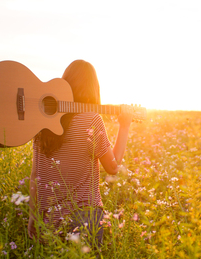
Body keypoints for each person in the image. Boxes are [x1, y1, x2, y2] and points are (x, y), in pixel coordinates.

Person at [28, 60, 133, 250]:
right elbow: (113, 167)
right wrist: (124, 126)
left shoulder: (40, 121)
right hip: (84, 218)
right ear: (94, 88)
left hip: (48, 220)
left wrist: (33, 217)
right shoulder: (92, 119)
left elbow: (35, 176)